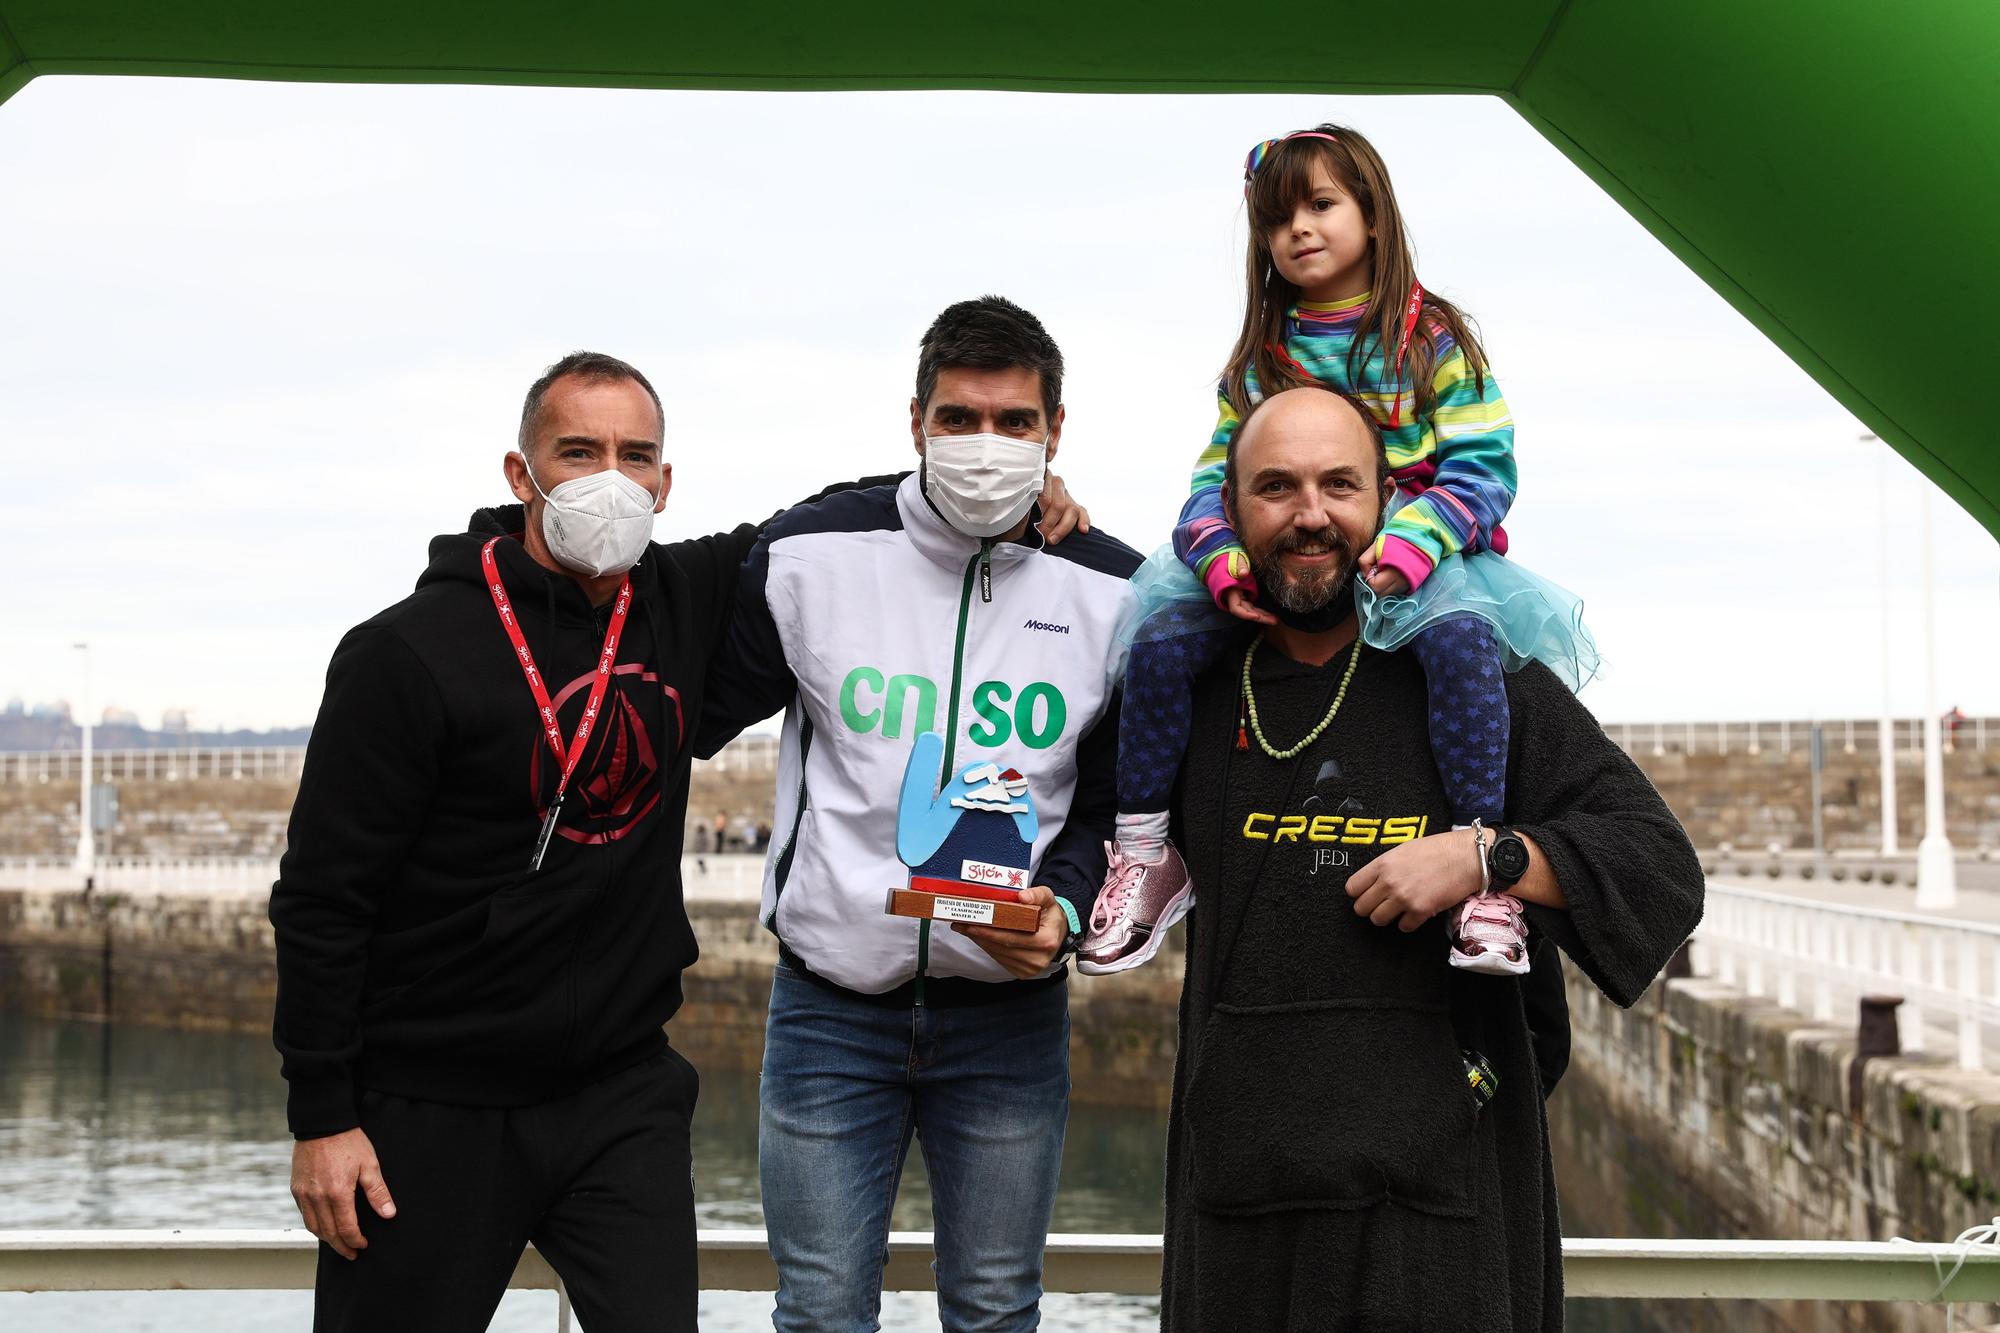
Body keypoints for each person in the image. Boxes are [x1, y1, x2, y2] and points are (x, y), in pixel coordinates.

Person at [269, 351, 919, 1333]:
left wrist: (975, 488)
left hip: (618, 1095)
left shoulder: (684, 600)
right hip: (429, 1103)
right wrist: (322, 1115)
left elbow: (818, 523)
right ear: (518, 472)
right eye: (577, 451)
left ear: (664, 481)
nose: (609, 477)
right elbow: (323, 898)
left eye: (635, 454)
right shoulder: (402, 654)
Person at [1157, 384, 1703, 1331]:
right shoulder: (1187, 694)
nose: (1311, 514)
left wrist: (1484, 858)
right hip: (1238, 1214)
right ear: (1230, 512)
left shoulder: (1479, 683)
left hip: (1445, 1217)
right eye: (1276, 487)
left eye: (1340, 484)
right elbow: (1060, 827)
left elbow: (1659, 865)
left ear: (1385, 504)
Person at [695, 295, 1141, 1333]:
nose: (985, 445)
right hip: (828, 1004)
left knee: (992, 1312)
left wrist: (1065, 907)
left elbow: (1115, 803)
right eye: (958, 419)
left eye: (1014, 423)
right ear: (914, 424)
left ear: (1054, 433)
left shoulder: (1114, 592)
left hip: (1007, 1015)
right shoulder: (810, 556)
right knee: (817, 1314)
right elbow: (691, 711)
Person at [1080, 124, 1599, 978]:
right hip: (1286, 560)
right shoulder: (1260, 357)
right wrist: (1218, 555)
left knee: (1463, 647)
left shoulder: (1429, 337)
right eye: (1278, 219)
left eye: (1321, 205)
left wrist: (1415, 541)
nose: (1299, 230)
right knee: (1160, 644)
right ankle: (1146, 852)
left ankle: (1481, 877)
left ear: (1373, 216)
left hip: (1416, 553)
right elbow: (1214, 480)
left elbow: (1485, 464)